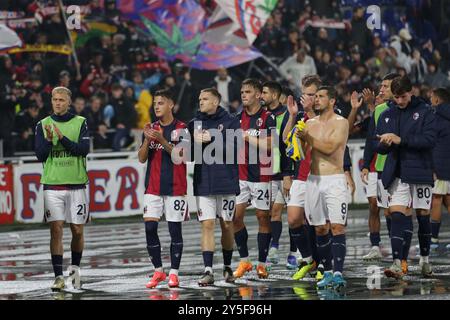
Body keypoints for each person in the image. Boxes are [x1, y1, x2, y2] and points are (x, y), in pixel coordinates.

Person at [376, 76, 436, 279]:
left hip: (420, 170)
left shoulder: (426, 111)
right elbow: (379, 148)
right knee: (396, 214)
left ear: (411, 92)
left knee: (422, 216)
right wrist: (384, 143)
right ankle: (396, 263)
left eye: (403, 97)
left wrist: (401, 140)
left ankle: (425, 260)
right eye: (397, 97)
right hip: (398, 171)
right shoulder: (387, 114)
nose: (400, 101)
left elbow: (429, 140)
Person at [34, 86, 90, 291]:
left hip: (77, 184)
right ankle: (58, 276)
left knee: (77, 230)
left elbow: (83, 150)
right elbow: (39, 155)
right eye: (54, 99)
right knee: (56, 229)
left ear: (69, 102)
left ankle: (74, 272)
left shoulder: (81, 122)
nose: (57, 103)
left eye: (61, 100)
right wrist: (49, 140)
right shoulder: (42, 125)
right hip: (52, 184)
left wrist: (61, 137)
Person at [297, 86, 350, 289]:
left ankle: (338, 272)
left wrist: (307, 137)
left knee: (337, 227)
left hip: (334, 179)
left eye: (320, 97)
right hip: (313, 180)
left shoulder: (341, 123)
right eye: (315, 96)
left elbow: (330, 149)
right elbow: (302, 154)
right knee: (320, 228)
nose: (316, 100)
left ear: (332, 101)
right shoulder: (309, 123)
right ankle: (327, 271)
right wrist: (298, 141)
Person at [188, 88, 240, 286]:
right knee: (207, 224)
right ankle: (208, 270)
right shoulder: (194, 124)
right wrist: (193, 142)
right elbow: (189, 155)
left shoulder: (231, 121)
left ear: (216, 101)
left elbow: (236, 148)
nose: (201, 102)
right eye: (199, 98)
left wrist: (213, 138)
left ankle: (227, 266)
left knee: (227, 225)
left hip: (226, 180)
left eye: (205, 99)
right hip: (204, 181)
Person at [138, 89, 188, 289]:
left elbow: (181, 156)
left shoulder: (182, 128)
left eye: (160, 103)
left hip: (175, 187)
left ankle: (174, 273)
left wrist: (162, 140)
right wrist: (147, 140)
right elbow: (142, 158)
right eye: (155, 104)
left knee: (174, 230)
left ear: (170, 105)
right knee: (150, 228)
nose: (156, 106)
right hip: (152, 186)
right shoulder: (151, 128)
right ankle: (158, 270)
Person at [233, 78, 275, 279]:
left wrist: (249, 138)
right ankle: (245, 261)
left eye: (248, 91)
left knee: (262, 217)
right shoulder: (236, 117)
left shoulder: (268, 117)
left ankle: (262, 263)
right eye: (242, 91)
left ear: (259, 95)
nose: (243, 95)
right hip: (241, 175)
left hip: (261, 174)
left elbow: (271, 144)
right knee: (235, 217)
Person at [282, 75, 322, 277]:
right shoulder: (300, 115)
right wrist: (292, 115)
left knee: (319, 223)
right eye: (304, 94)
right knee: (294, 219)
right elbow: (285, 140)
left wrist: (310, 112)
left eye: (311, 95)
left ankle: (323, 264)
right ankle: (308, 259)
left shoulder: (328, 113)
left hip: (320, 176)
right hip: (300, 175)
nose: (306, 98)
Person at [260, 81, 295, 267]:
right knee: (273, 212)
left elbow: (287, 145)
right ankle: (274, 247)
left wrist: (288, 173)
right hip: (271, 171)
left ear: (275, 95)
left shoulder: (288, 115)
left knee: (293, 216)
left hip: (287, 171)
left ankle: (293, 252)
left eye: (264, 92)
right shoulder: (263, 116)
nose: (261, 96)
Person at [429, 88, 450, 249]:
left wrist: (432, 167)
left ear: (437, 100)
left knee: (437, 199)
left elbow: (431, 143)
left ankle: (433, 240)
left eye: (431, 98)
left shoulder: (434, 117)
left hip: (441, 165)